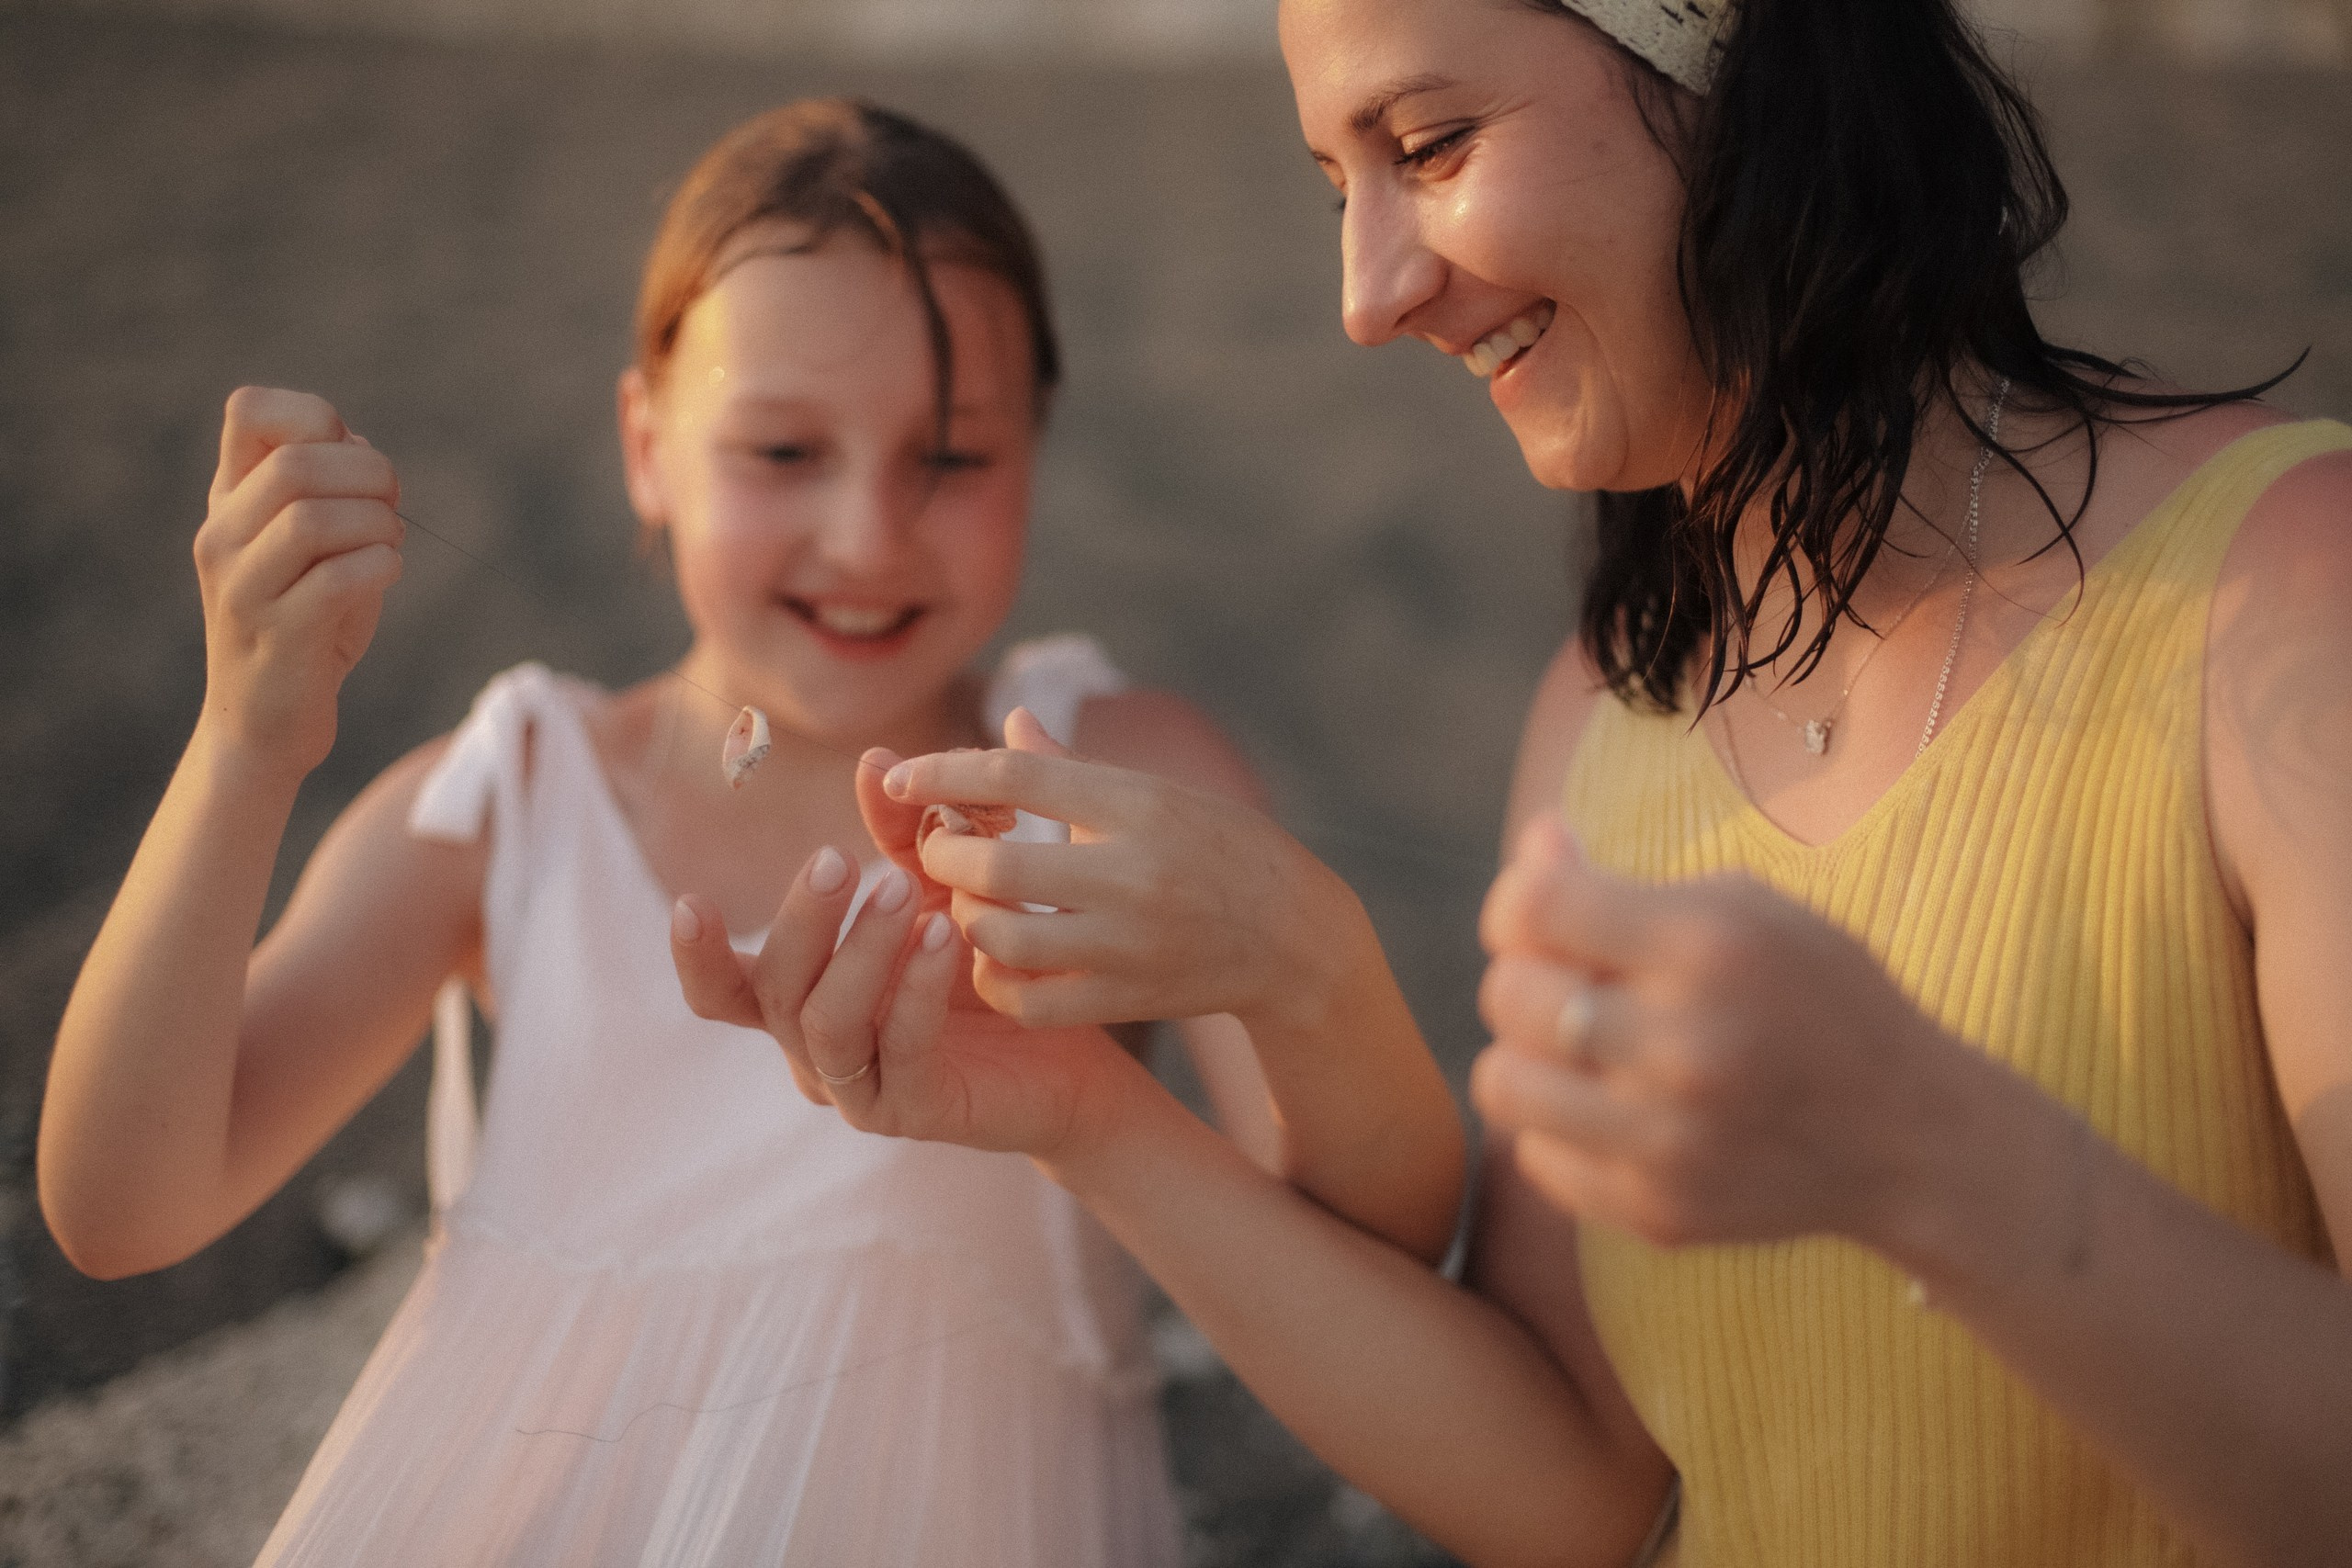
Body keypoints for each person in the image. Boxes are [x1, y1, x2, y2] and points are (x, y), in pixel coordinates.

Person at [681, 5, 2352, 1565]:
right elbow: (1575, 1486)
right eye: (1338, 186)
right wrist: (1089, 1118)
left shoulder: (2290, 590)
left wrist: (1934, 1160)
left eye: (1432, 145)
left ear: (1737, 60)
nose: (1368, 291)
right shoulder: (1605, 716)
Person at [36, 97, 1466, 1564]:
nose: (866, 532)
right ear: (647, 446)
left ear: (1037, 447)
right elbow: (125, 1205)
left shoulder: (1110, 773)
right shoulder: (512, 798)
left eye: (954, 456)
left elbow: (1371, 1247)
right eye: (784, 453)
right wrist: (244, 745)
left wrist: (1306, 966)